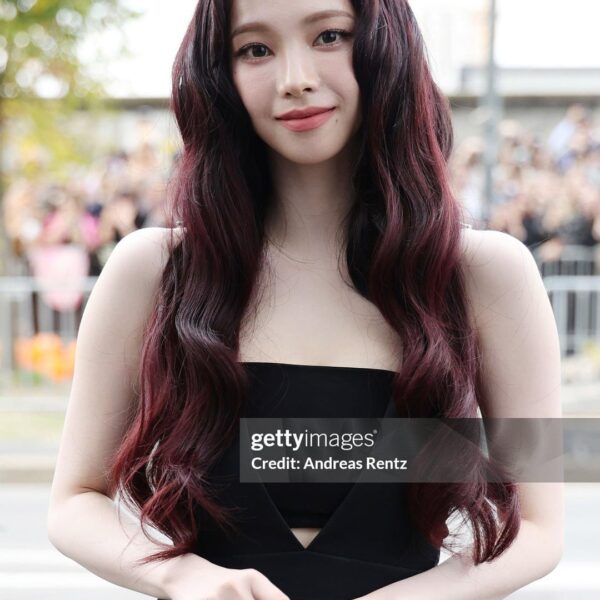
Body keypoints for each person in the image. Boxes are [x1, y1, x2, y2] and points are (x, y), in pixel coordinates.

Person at [47, 1, 564, 599]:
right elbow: (73, 499)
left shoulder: (483, 275)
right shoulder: (154, 273)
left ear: (385, 45)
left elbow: (541, 524)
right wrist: (183, 575)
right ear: (222, 72)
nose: (295, 77)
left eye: (329, 36)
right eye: (255, 49)